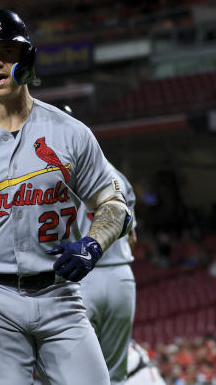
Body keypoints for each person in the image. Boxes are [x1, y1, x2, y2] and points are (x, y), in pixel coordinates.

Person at [0, 9, 131, 384]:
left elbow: (112, 203)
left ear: (26, 57)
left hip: (60, 294)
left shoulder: (71, 133)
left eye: (7, 50)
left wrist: (93, 244)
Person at [78, 163, 137, 385]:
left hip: (79, 279)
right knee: (116, 376)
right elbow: (132, 237)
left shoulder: (57, 175)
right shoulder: (117, 175)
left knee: (77, 374)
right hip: (120, 276)